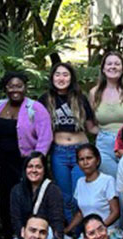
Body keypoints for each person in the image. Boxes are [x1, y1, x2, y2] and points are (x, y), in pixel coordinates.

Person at [0, 71, 53, 235]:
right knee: (6, 201)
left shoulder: (35, 108)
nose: (15, 90)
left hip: (26, 164)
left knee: (28, 201)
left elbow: (45, 137)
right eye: (11, 86)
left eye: (19, 86)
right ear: (6, 88)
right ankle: (9, 238)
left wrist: (36, 162)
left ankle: (30, 237)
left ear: (25, 87)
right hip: (4, 164)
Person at [40, 62, 99, 222]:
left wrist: (112, 132)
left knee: (81, 195)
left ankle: (85, 232)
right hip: (59, 153)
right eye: (57, 74)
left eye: (65, 74)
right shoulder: (45, 100)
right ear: (52, 78)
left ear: (71, 78)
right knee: (65, 196)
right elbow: (38, 128)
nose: (61, 78)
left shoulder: (80, 98)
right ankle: (72, 234)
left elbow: (90, 127)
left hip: (81, 152)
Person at [89, 51, 123, 177]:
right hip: (104, 145)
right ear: (103, 69)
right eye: (109, 64)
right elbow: (89, 124)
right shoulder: (94, 93)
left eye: (117, 64)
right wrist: (103, 132)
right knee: (111, 183)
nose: (113, 67)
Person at [10, 152, 66, 239]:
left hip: (46, 236)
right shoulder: (17, 190)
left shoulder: (53, 190)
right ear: (25, 169)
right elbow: (16, 220)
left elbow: (57, 222)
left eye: (38, 167)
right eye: (30, 166)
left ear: (44, 170)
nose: (34, 170)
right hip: (25, 236)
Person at [64, 143, 119, 238]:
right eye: (81, 159)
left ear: (97, 160)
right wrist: (67, 230)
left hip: (108, 231)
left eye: (89, 158)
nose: (85, 162)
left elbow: (115, 212)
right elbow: (81, 212)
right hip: (90, 234)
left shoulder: (107, 180)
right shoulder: (80, 182)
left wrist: (100, 229)